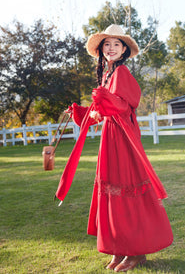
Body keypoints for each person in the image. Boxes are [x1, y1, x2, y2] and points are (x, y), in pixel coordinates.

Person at [55, 24, 173, 272]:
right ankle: (121, 249)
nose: (110, 48)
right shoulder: (107, 76)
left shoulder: (121, 74)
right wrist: (81, 111)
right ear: (101, 49)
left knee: (126, 191)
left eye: (116, 44)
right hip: (110, 137)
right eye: (106, 44)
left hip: (123, 139)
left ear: (124, 50)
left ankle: (135, 251)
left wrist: (103, 102)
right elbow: (103, 111)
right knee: (112, 192)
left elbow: (122, 105)